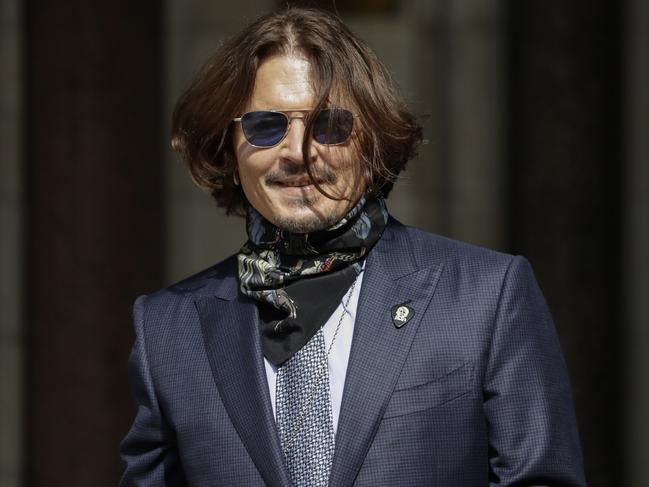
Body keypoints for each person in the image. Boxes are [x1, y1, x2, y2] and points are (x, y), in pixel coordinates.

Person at [120, 7, 586, 487]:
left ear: (373, 142)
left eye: (331, 125)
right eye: (266, 126)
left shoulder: (486, 298)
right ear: (229, 146)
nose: (298, 151)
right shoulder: (169, 330)